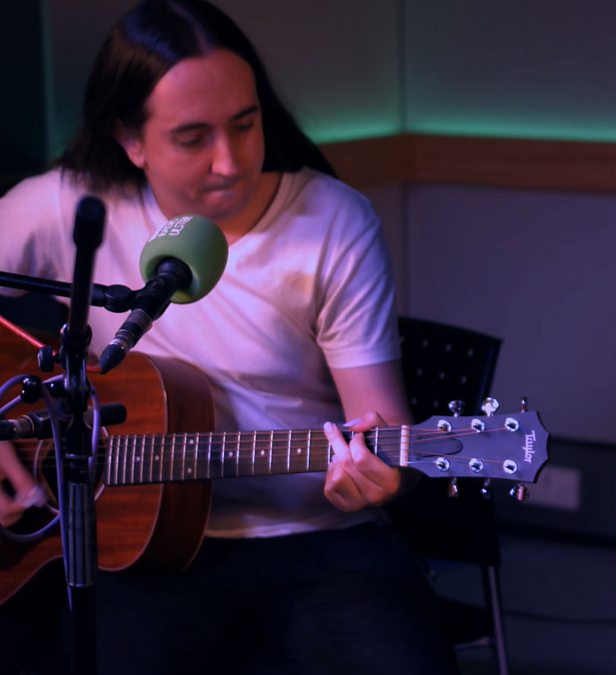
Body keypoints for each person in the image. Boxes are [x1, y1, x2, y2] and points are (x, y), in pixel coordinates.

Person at [0, 1, 456, 673]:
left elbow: (385, 427)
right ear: (130, 139)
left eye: (245, 124)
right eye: (193, 138)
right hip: (133, 544)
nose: (229, 161)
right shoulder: (69, 206)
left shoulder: (333, 221)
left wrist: (385, 477)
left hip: (321, 541)